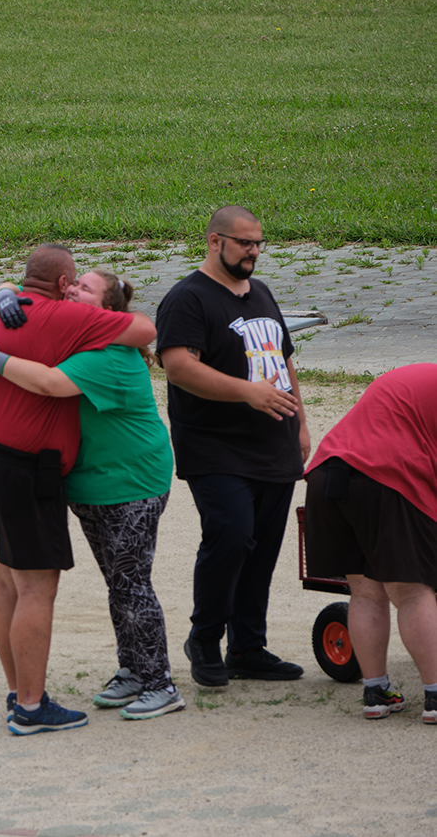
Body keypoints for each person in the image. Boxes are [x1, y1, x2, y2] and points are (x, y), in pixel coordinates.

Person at [0, 244, 157, 734]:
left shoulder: (0, 313)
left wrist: (2, 291)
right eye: (77, 283)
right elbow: (146, 329)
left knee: (3, 583)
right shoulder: (68, 318)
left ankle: (16, 690)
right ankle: (31, 705)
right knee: (36, 588)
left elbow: (15, 294)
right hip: (20, 468)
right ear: (66, 284)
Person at [155, 205, 311, 688]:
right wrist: (248, 392)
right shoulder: (188, 299)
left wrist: (301, 425)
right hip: (215, 446)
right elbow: (179, 366)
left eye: (258, 243)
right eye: (244, 242)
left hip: (274, 444)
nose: (253, 251)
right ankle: (204, 639)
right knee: (231, 535)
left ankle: (247, 646)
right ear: (214, 241)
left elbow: (282, 361)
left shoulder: (260, 292)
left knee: (262, 549)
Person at [303, 363, 437, 724]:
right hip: (383, 478)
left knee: (365, 592)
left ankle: (376, 692)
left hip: (327, 475)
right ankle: (435, 695)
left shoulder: (413, 377)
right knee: (412, 592)